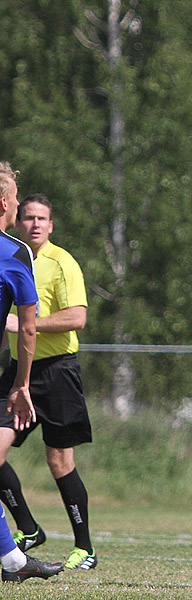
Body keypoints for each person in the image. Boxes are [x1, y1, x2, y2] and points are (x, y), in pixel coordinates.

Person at [0, 192, 96, 571]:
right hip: (18, 370)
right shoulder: (9, 254)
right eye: (29, 217)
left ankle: (84, 547)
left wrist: (25, 325)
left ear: (51, 226)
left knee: (59, 460)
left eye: (42, 218)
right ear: (17, 220)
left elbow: (77, 318)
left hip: (57, 371)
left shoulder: (62, 263)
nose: (35, 224)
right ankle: (27, 527)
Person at [0, 163, 64, 583]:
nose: (21, 204)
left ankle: (15, 562)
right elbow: (27, 327)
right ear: (3, 204)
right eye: (17, 197)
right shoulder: (14, 252)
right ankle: (15, 562)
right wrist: (22, 384)